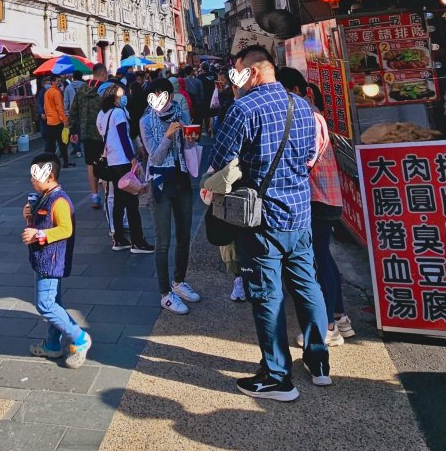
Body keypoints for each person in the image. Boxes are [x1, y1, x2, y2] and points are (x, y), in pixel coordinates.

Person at [209, 45, 329, 401]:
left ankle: (278, 376)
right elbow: (311, 156)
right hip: (300, 212)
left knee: (266, 294)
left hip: (261, 218)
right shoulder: (303, 106)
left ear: (254, 71)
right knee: (308, 285)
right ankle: (319, 362)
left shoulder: (243, 108)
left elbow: (219, 160)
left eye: (238, 73)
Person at [277, 68, 353, 348]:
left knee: (317, 259)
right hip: (320, 196)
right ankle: (340, 317)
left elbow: (304, 160)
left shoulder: (310, 118)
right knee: (323, 257)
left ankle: (328, 327)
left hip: (318, 198)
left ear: (295, 92)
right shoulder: (309, 115)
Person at [22, 152, 92, 368]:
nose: (32, 180)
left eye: (36, 176)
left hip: (51, 260)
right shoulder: (45, 196)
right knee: (54, 302)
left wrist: (39, 235)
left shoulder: (59, 200)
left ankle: (80, 338)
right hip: (43, 258)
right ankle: (52, 345)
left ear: (50, 176)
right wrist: (29, 215)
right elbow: (45, 220)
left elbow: (65, 229)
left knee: (45, 304)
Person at [139, 78, 201, 315]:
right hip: (161, 183)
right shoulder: (146, 121)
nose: (165, 101)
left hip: (182, 179)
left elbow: (188, 151)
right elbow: (154, 157)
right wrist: (167, 135)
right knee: (163, 241)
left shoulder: (181, 116)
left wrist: (190, 141)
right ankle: (165, 293)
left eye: (167, 95)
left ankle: (179, 281)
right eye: (160, 96)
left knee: (185, 235)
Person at [97, 82, 153, 253]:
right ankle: (137, 241)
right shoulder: (119, 113)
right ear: (114, 96)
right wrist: (132, 159)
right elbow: (124, 137)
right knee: (132, 203)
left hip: (111, 161)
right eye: (121, 94)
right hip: (123, 161)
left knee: (119, 203)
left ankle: (119, 238)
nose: (124, 97)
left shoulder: (102, 114)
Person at [71, 63, 109, 208]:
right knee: (104, 163)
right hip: (102, 133)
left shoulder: (82, 89)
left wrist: (73, 130)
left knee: (90, 164)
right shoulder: (104, 90)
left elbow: (73, 110)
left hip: (86, 133)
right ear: (104, 74)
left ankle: (94, 196)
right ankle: (107, 195)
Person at [43, 75, 71, 167]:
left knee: (51, 144)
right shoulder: (56, 93)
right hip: (57, 121)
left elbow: (45, 107)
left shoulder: (47, 92)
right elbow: (60, 108)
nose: (60, 82)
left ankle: (49, 163)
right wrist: (65, 120)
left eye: (60, 80)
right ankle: (66, 162)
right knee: (62, 143)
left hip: (49, 121)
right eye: (58, 81)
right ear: (53, 82)